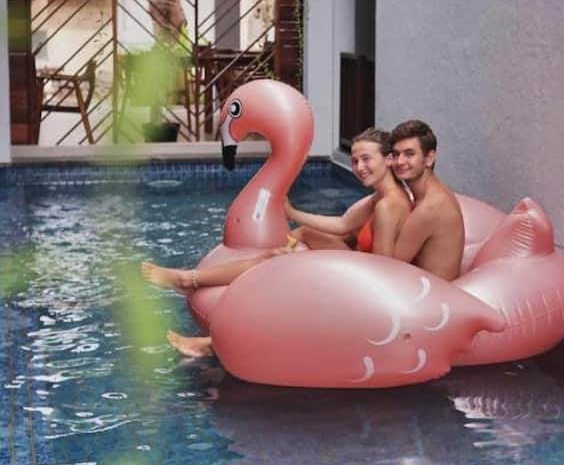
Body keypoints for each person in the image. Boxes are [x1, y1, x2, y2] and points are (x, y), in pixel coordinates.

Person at [141, 128, 412, 355]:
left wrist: (317, 268)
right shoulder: (380, 198)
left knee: (278, 263)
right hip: (358, 268)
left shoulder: (388, 206)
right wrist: (292, 214)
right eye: (354, 161)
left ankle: (200, 304)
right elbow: (342, 224)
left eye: (366, 159)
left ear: (388, 159)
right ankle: (196, 285)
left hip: (365, 286)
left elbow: (383, 268)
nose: (359, 167)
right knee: (298, 239)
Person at [386, 119, 465, 282]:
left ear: (429, 158)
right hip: (426, 286)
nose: (399, 162)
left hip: (432, 295)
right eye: (396, 154)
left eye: (409, 154)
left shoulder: (429, 208)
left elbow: (388, 269)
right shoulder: (434, 192)